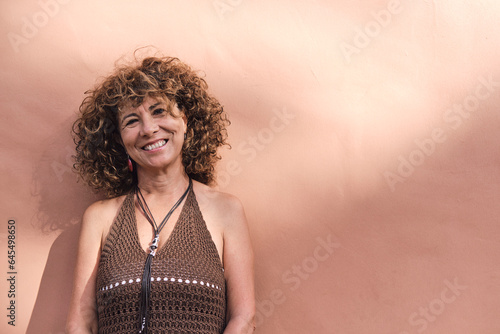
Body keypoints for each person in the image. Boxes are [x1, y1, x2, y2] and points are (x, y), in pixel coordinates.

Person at [66, 55, 255, 334]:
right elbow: (82, 320)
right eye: (132, 120)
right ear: (119, 139)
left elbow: (244, 317)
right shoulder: (100, 218)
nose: (149, 129)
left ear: (186, 120)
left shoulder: (225, 210)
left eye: (159, 111)